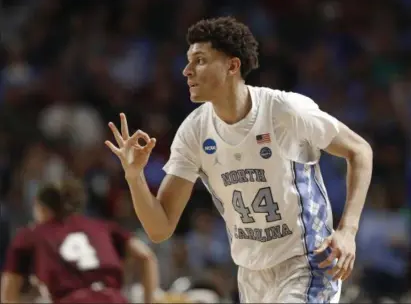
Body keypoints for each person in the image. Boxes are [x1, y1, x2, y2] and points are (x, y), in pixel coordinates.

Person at [105, 16, 373, 303]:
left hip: (307, 262)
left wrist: (347, 231)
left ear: (232, 66)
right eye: (188, 61)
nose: (186, 71)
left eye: (200, 60)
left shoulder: (284, 111)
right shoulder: (194, 131)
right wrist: (134, 177)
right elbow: (160, 229)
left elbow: (359, 150)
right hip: (251, 273)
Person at [1, 179, 159, 304]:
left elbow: (9, 293)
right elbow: (146, 256)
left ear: (42, 208)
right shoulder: (102, 226)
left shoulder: (31, 234)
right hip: (114, 298)